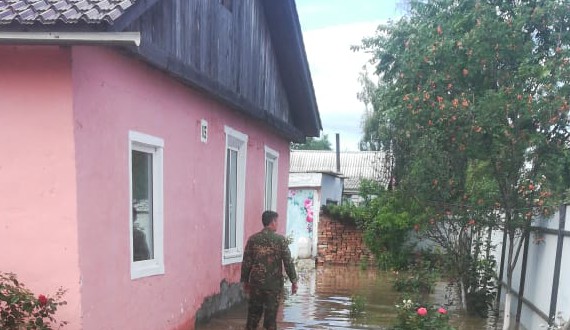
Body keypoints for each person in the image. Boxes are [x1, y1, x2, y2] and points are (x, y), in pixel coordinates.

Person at [241, 210, 298, 330]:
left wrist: (245, 281)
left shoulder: (253, 239)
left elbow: (246, 262)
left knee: (253, 317)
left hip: (256, 285)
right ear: (272, 222)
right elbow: (288, 262)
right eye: (277, 221)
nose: (277, 224)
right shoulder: (280, 240)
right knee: (270, 319)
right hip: (273, 286)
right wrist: (294, 281)